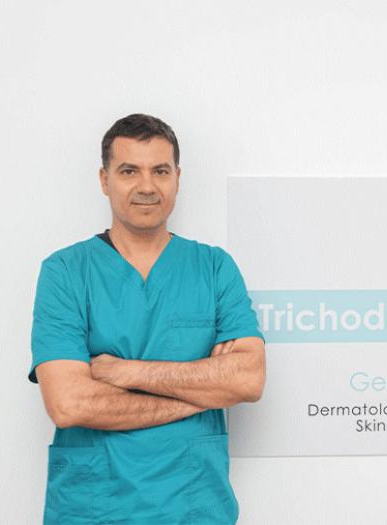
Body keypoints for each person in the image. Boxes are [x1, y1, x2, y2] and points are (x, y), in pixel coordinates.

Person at [27, 113, 266, 524]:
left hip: (194, 508)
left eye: (160, 171)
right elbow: (69, 404)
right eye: (128, 171)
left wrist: (126, 372)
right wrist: (202, 391)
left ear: (177, 178)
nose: (146, 186)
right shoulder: (65, 272)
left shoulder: (213, 268)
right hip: (93, 509)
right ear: (104, 180)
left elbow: (248, 379)